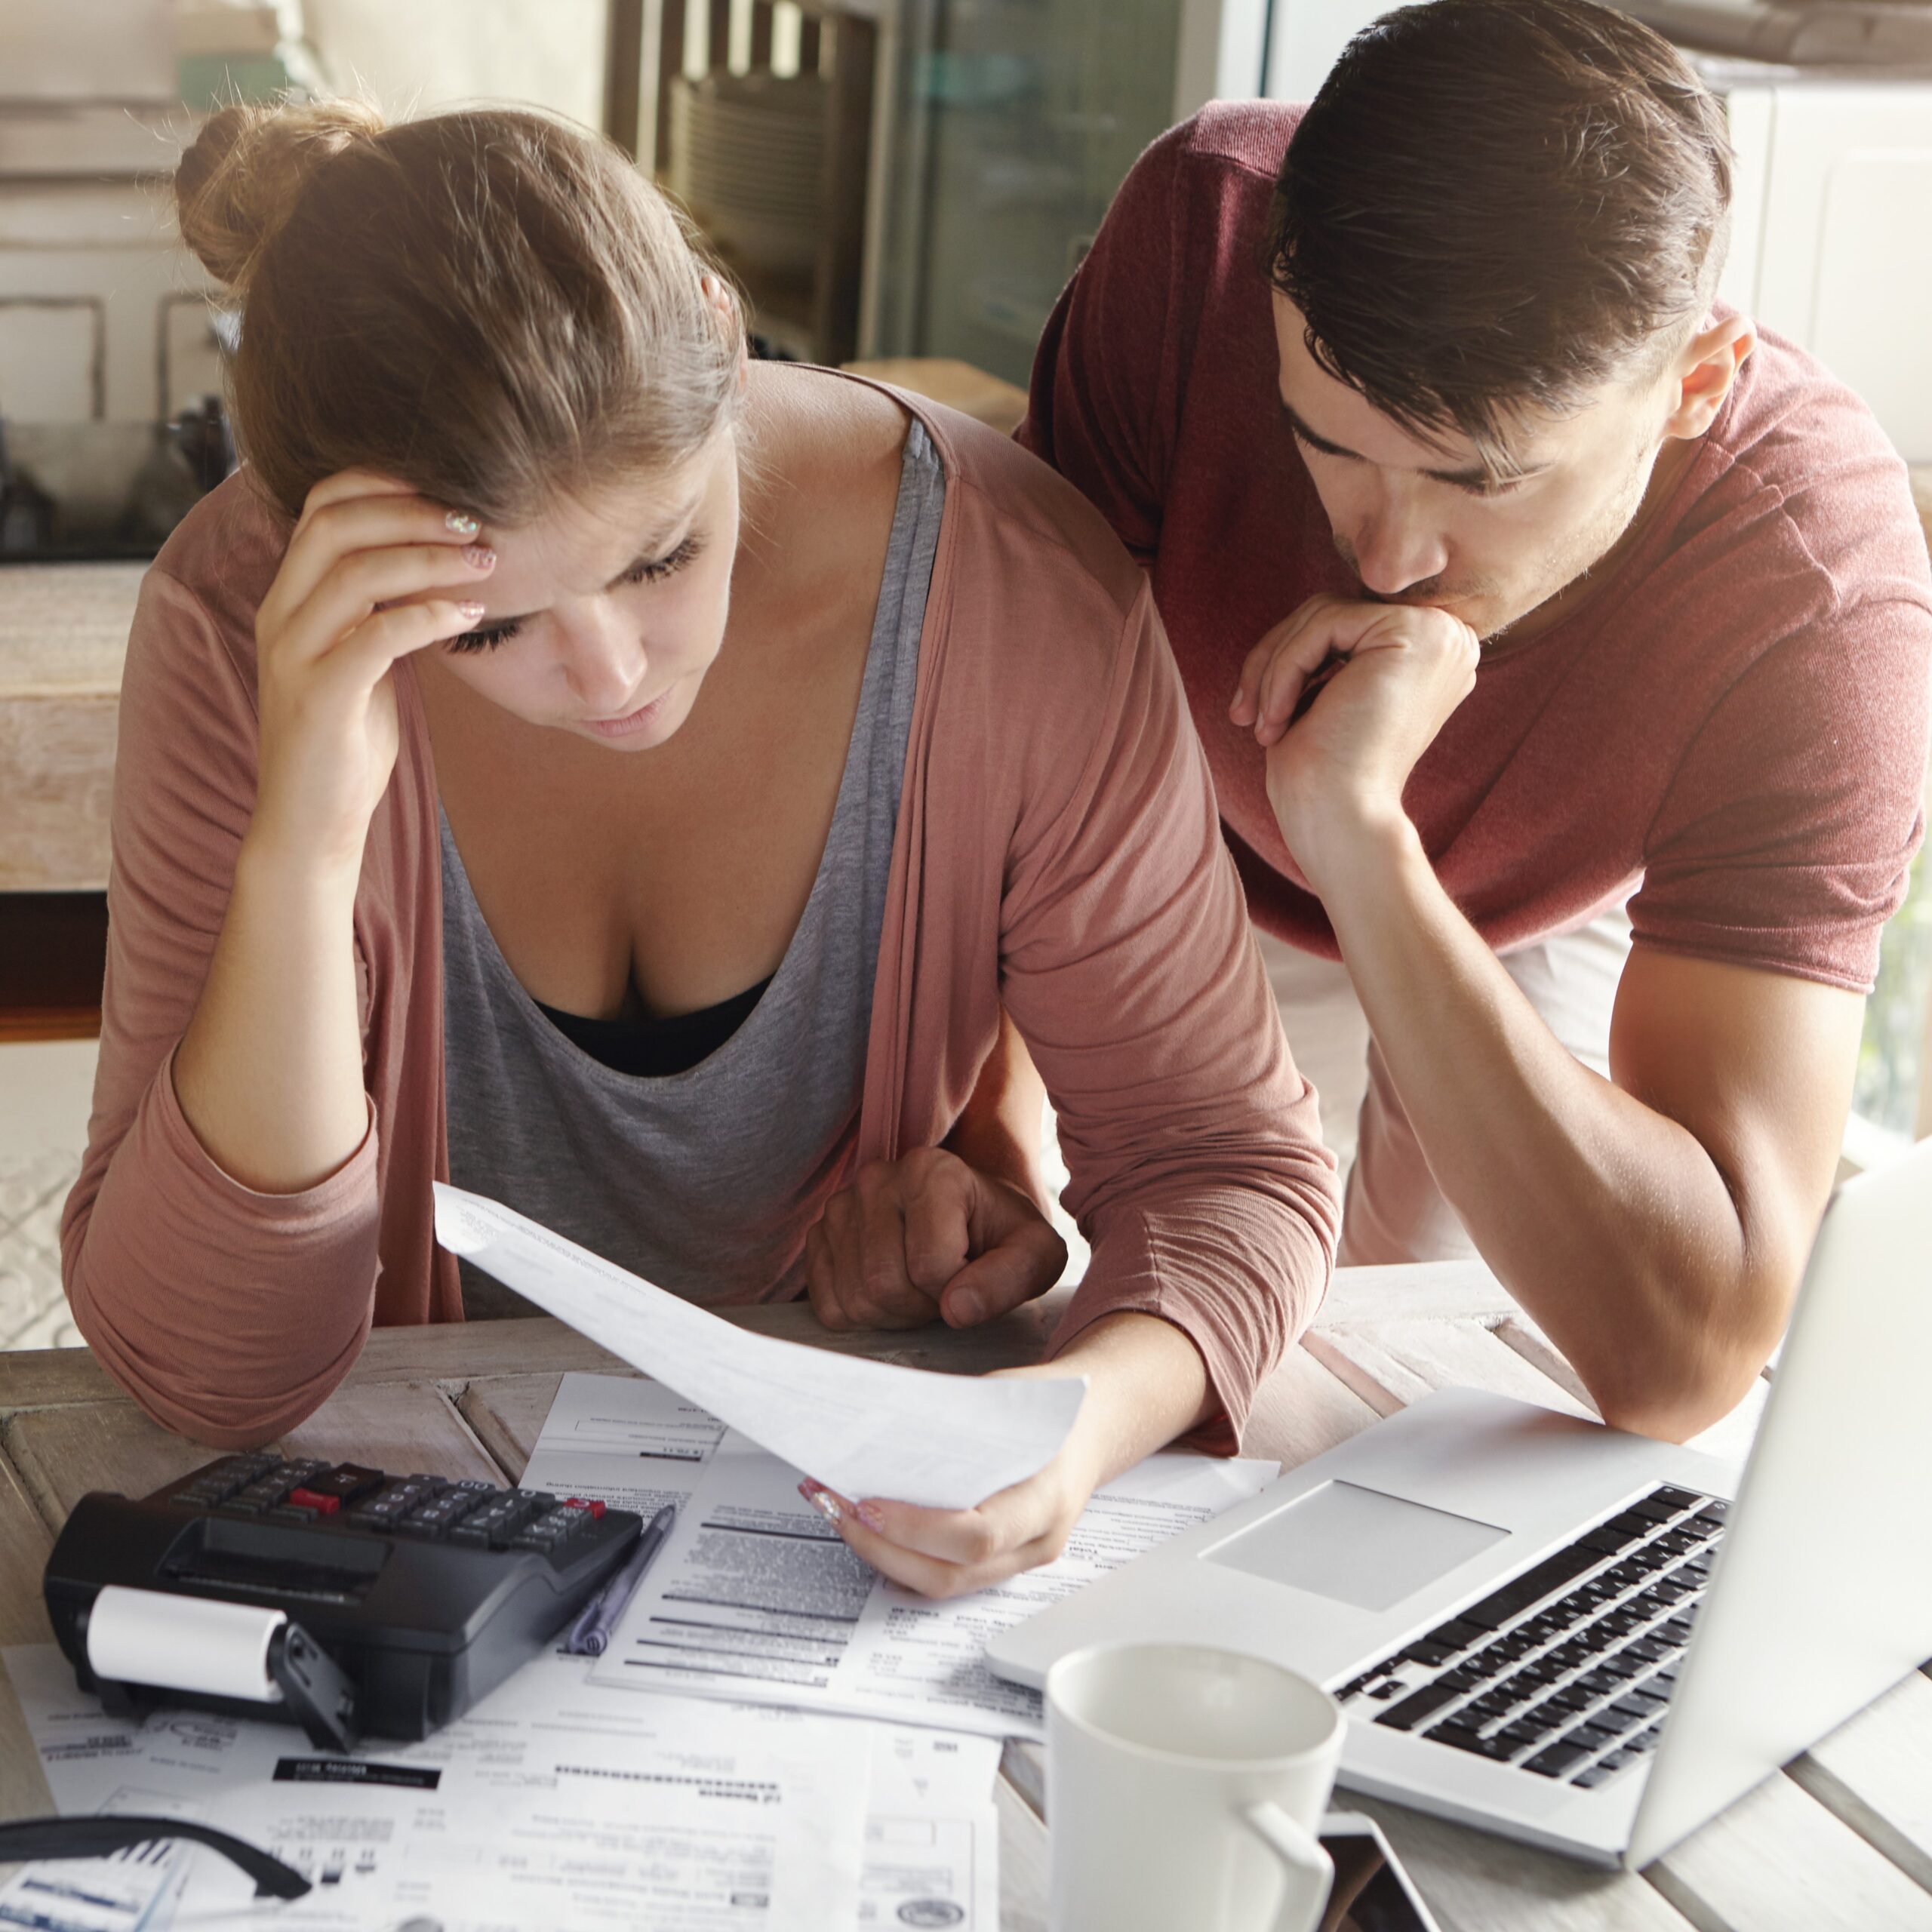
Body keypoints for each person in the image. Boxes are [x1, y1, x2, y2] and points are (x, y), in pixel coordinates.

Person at [59, 100, 1340, 1598]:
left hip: (810, 1558)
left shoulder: (1009, 589)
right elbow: (209, 1372)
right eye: (486, 624)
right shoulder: (240, 623)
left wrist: (1063, 1430)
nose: (610, 677)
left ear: (723, 345)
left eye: (659, 552)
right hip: (421, 1542)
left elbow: (1224, 1161)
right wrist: (302, 839)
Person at [1022, 0, 1932, 1441]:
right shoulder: (1200, 236)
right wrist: (974, 1163)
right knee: (1093, 1330)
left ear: (1692, 384)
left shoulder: (1820, 595)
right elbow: (1003, 757)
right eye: (1329, 443)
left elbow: (1685, 1355)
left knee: (1428, 1403)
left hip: (1533, 904)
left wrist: (1362, 837)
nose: (1382, 562)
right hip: (1159, 814)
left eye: (1483, 481)